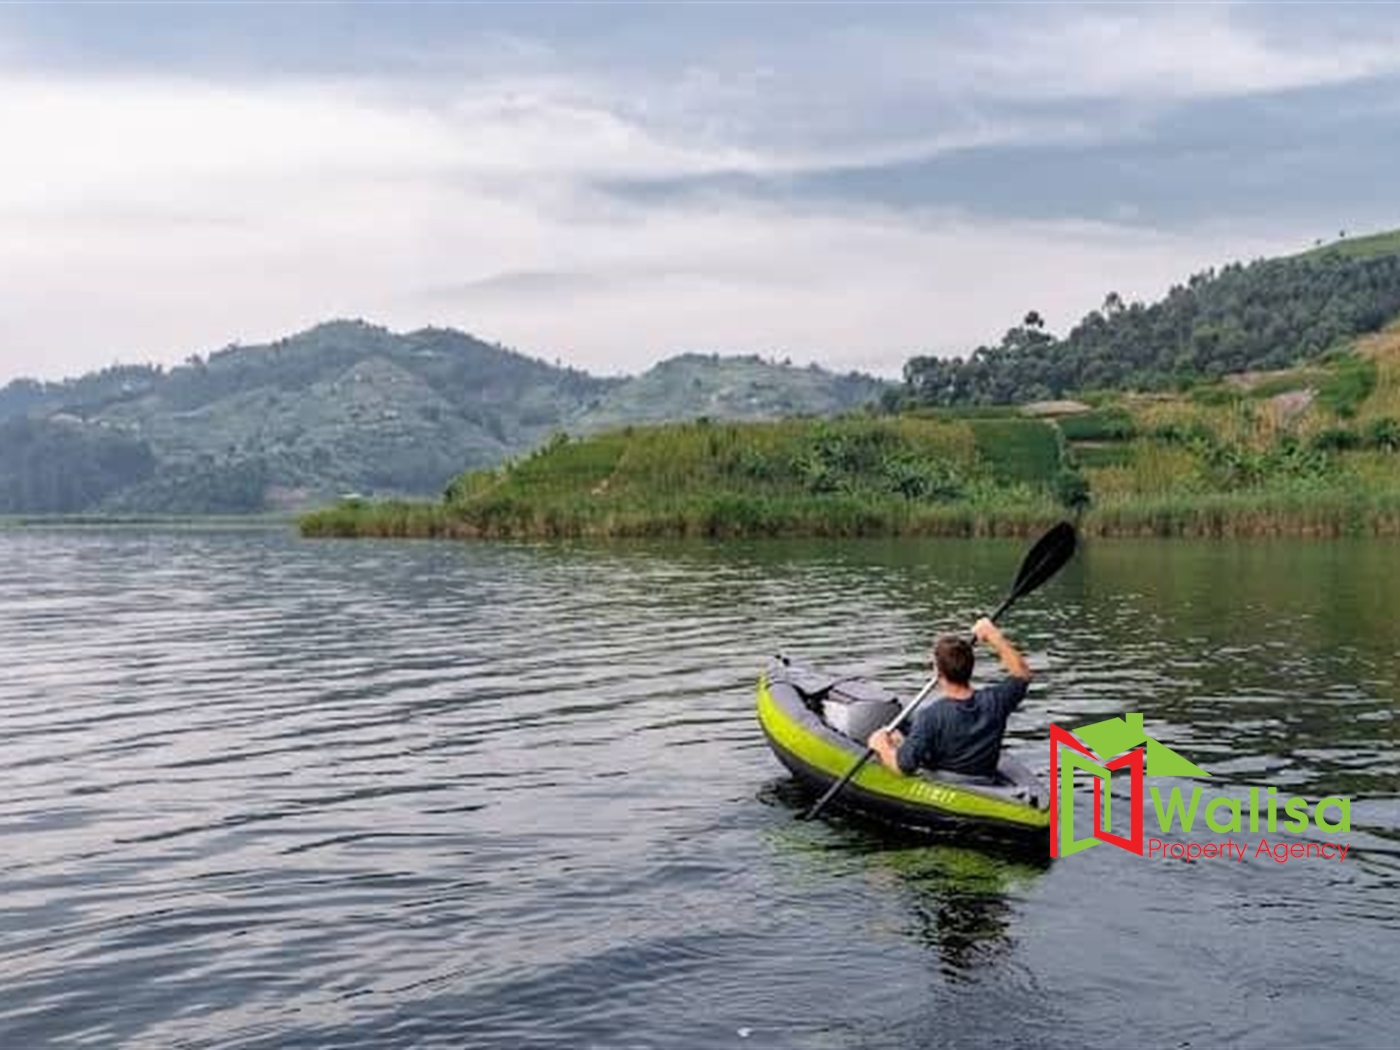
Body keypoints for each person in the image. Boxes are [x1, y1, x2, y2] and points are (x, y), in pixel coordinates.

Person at [867, 617, 1031, 778]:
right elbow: (1022, 673)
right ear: (971, 665)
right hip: (983, 776)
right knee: (903, 733)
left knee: (896, 739)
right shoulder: (996, 701)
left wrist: (881, 746)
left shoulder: (930, 717)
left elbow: (902, 768)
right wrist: (993, 635)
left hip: (950, 783)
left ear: (937, 670)